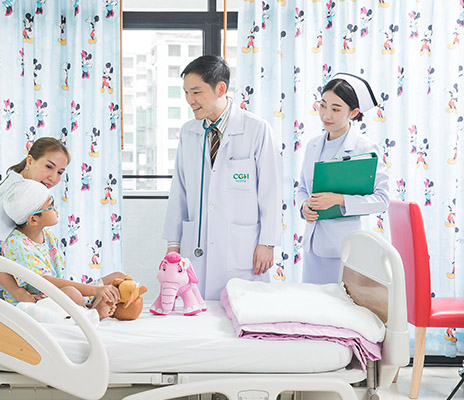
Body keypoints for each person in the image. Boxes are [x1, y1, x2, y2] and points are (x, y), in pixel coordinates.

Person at [163, 55, 283, 300]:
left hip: (242, 249)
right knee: (197, 309)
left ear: (220, 89)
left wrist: (267, 243)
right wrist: (173, 245)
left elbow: (271, 192)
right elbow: (179, 192)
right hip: (197, 246)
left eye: (196, 92)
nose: (190, 100)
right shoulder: (189, 132)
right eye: (186, 93)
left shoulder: (256, 129)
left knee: (244, 310)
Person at [0, 137, 124, 302]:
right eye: (49, 167)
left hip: (28, 284)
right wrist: (17, 292)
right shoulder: (16, 195)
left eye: (60, 172)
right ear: (30, 160)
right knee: (73, 294)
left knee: (117, 278)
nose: (53, 177)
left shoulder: (29, 193)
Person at [296, 73, 390, 284]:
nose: (326, 115)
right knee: (311, 302)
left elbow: (382, 200)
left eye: (336, 109)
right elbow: (302, 188)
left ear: (353, 112)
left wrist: (338, 200)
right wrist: (304, 206)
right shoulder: (313, 145)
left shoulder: (365, 149)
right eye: (323, 105)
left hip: (342, 249)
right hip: (312, 246)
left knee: (339, 303)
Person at [1, 179, 120, 319]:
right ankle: (92, 315)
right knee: (72, 293)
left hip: (56, 294)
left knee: (117, 277)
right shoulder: (16, 244)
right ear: (33, 220)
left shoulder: (47, 236)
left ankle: (95, 309)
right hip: (37, 302)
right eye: (51, 205)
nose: (56, 208)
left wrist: (99, 291)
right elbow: (44, 282)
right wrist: (95, 290)